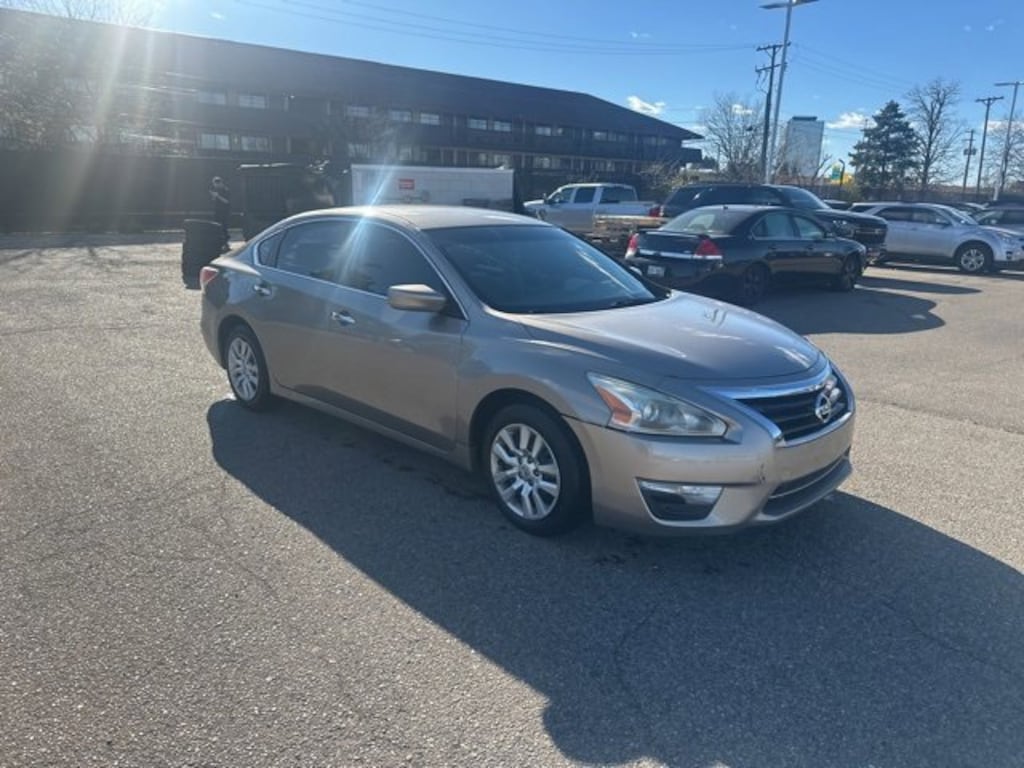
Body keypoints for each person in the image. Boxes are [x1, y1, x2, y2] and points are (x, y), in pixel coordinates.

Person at [209, 176, 231, 251]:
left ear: (220, 183)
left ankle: (226, 244)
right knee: (217, 228)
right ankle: (220, 244)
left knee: (224, 228)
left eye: (216, 184)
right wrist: (213, 197)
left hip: (224, 212)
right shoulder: (216, 190)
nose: (215, 186)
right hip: (217, 212)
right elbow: (215, 201)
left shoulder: (225, 190)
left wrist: (217, 196)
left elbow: (227, 201)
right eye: (214, 184)